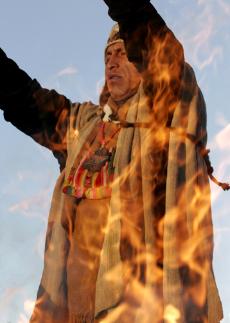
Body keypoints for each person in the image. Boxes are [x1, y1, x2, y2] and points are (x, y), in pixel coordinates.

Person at [0, 1, 224, 322]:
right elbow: (20, 97)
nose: (113, 62)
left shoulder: (166, 110)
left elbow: (156, 46)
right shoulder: (82, 126)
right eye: (108, 55)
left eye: (123, 53)